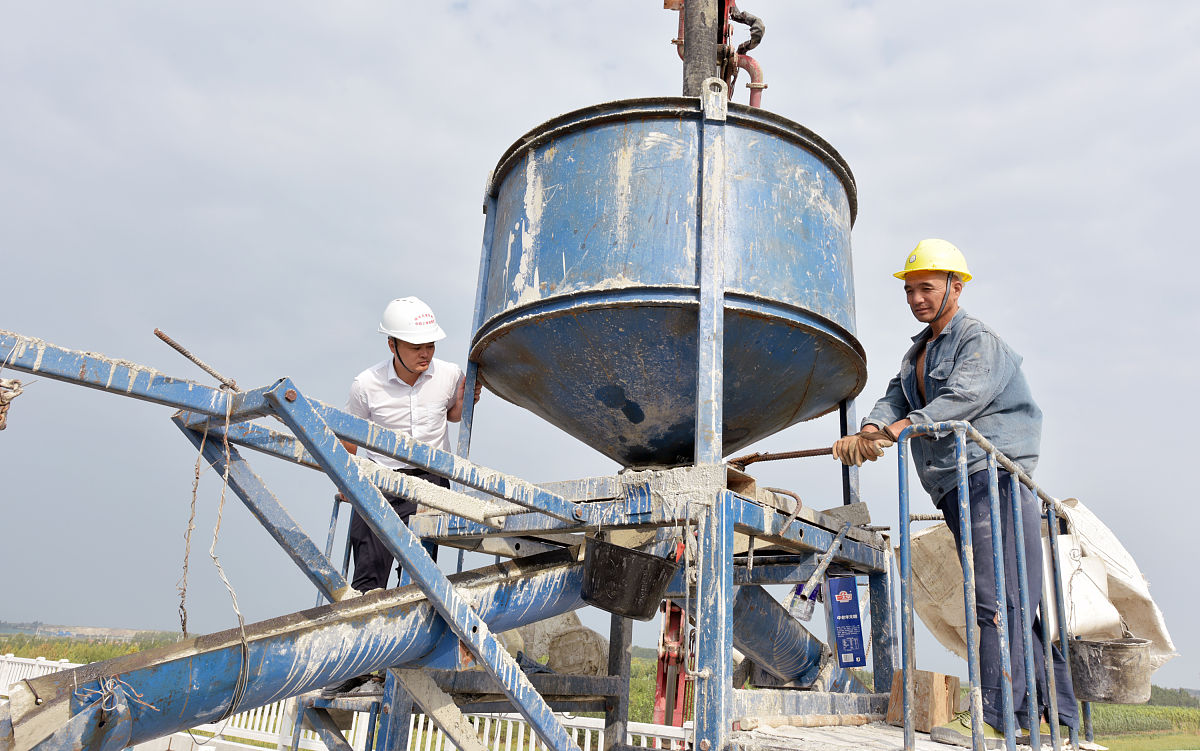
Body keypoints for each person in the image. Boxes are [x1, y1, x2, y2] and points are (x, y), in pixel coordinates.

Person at [832, 239, 1077, 746]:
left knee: (997, 601)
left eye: (926, 287)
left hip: (994, 480)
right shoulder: (917, 353)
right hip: (956, 488)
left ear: (955, 287)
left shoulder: (977, 340)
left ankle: (999, 718)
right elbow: (892, 395)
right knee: (1012, 601)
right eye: (909, 290)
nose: (917, 298)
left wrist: (903, 427)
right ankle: (1046, 720)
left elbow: (964, 396)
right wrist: (871, 428)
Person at [343, 296, 480, 592]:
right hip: (381, 482)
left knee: (417, 576)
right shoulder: (366, 385)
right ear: (392, 345)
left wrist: (465, 400)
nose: (425, 354)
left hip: (431, 481)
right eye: (416, 347)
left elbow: (452, 416)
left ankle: (412, 628)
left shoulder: (449, 374)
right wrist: (345, 482)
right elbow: (348, 438)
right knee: (367, 578)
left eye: (430, 346)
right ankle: (370, 631)